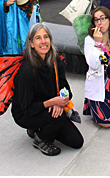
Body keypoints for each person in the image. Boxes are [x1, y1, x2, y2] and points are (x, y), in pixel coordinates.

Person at [11, 23, 84, 156]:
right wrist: (52, 103)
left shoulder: (55, 59)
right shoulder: (25, 71)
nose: (43, 41)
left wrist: (62, 100)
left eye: (46, 37)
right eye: (38, 38)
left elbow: (65, 87)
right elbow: (26, 109)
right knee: (59, 118)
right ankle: (40, 139)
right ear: (31, 43)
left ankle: (40, 127)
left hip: (51, 107)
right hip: (27, 113)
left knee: (76, 141)